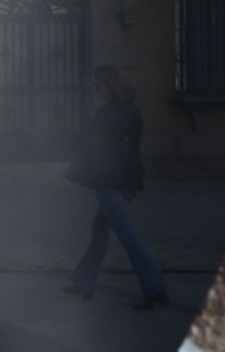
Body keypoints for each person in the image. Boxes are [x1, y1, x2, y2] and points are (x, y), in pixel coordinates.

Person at [62, 64, 168, 309]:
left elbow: (90, 148)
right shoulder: (133, 111)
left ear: (108, 86)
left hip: (107, 182)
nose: (95, 91)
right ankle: (83, 282)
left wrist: (69, 177)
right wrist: (132, 185)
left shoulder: (105, 113)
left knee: (128, 236)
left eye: (97, 86)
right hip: (121, 180)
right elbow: (133, 153)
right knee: (99, 233)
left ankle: (155, 287)